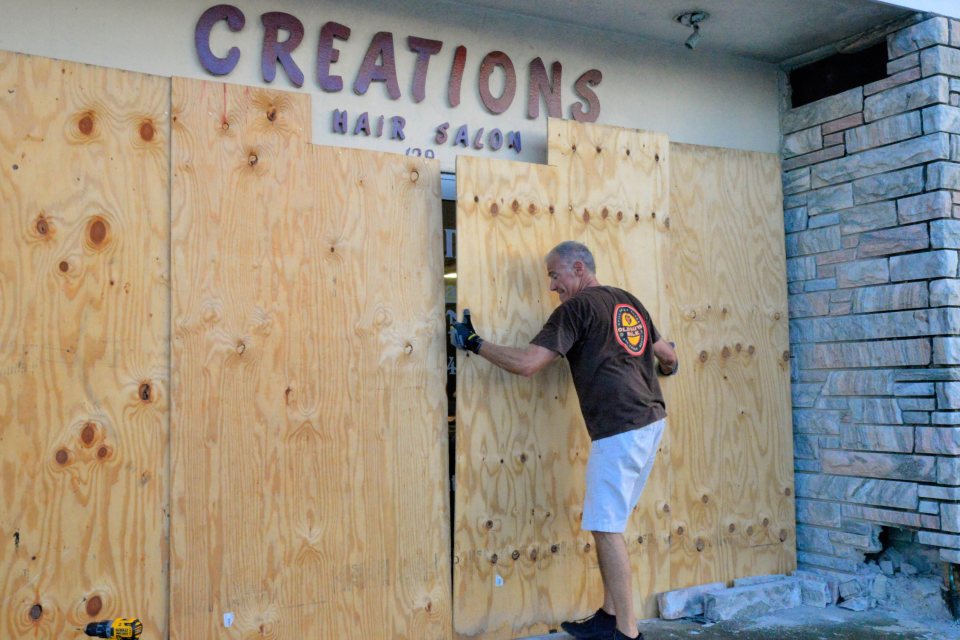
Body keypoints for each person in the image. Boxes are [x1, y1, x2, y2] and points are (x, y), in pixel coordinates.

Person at [450, 240, 678, 640]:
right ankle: (609, 615)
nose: (552, 285)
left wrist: (474, 343)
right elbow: (668, 355)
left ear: (577, 268)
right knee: (605, 521)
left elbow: (527, 364)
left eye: (555, 275)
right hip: (650, 420)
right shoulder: (628, 301)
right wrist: (664, 367)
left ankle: (626, 632)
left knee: (606, 528)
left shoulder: (575, 309)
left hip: (620, 429)